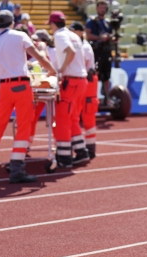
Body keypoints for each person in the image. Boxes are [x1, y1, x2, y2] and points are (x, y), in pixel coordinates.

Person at [0, 10, 56, 183]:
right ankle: (17, 169)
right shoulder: (20, 36)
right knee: (24, 126)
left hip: (4, 87)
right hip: (22, 85)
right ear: (11, 23)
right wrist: (51, 70)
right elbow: (37, 56)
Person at [48, 12, 89, 166]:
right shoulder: (74, 35)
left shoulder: (59, 35)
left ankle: (65, 158)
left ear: (53, 24)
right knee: (72, 118)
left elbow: (70, 51)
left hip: (71, 81)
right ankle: (81, 151)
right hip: (81, 80)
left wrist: (61, 69)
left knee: (63, 119)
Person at [70, 21, 98, 159]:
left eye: (73, 30)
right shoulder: (81, 45)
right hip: (86, 79)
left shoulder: (84, 46)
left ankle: (90, 147)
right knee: (78, 113)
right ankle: (84, 146)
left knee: (87, 113)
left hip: (88, 80)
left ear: (80, 32)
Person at [85, 0, 113, 99]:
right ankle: (92, 96)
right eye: (100, 7)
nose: (102, 9)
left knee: (106, 76)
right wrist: (100, 38)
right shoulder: (91, 21)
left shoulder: (108, 22)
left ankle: (107, 97)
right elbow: (88, 35)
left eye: (104, 8)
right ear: (97, 9)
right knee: (95, 74)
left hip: (106, 52)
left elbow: (111, 35)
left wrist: (111, 38)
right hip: (96, 51)